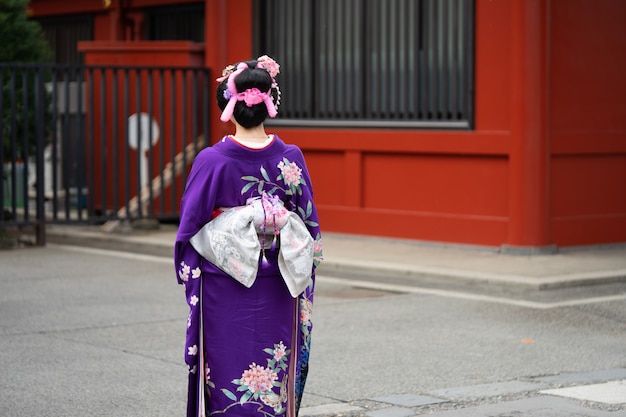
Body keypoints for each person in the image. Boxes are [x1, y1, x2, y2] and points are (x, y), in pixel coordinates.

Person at [174, 55, 323, 417]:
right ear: (270, 103)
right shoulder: (291, 157)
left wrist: (191, 269)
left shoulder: (213, 160)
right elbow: (310, 226)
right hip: (279, 280)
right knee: (271, 375)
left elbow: (189, 229)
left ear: (228, 105)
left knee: (228, 373)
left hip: (223, 285)